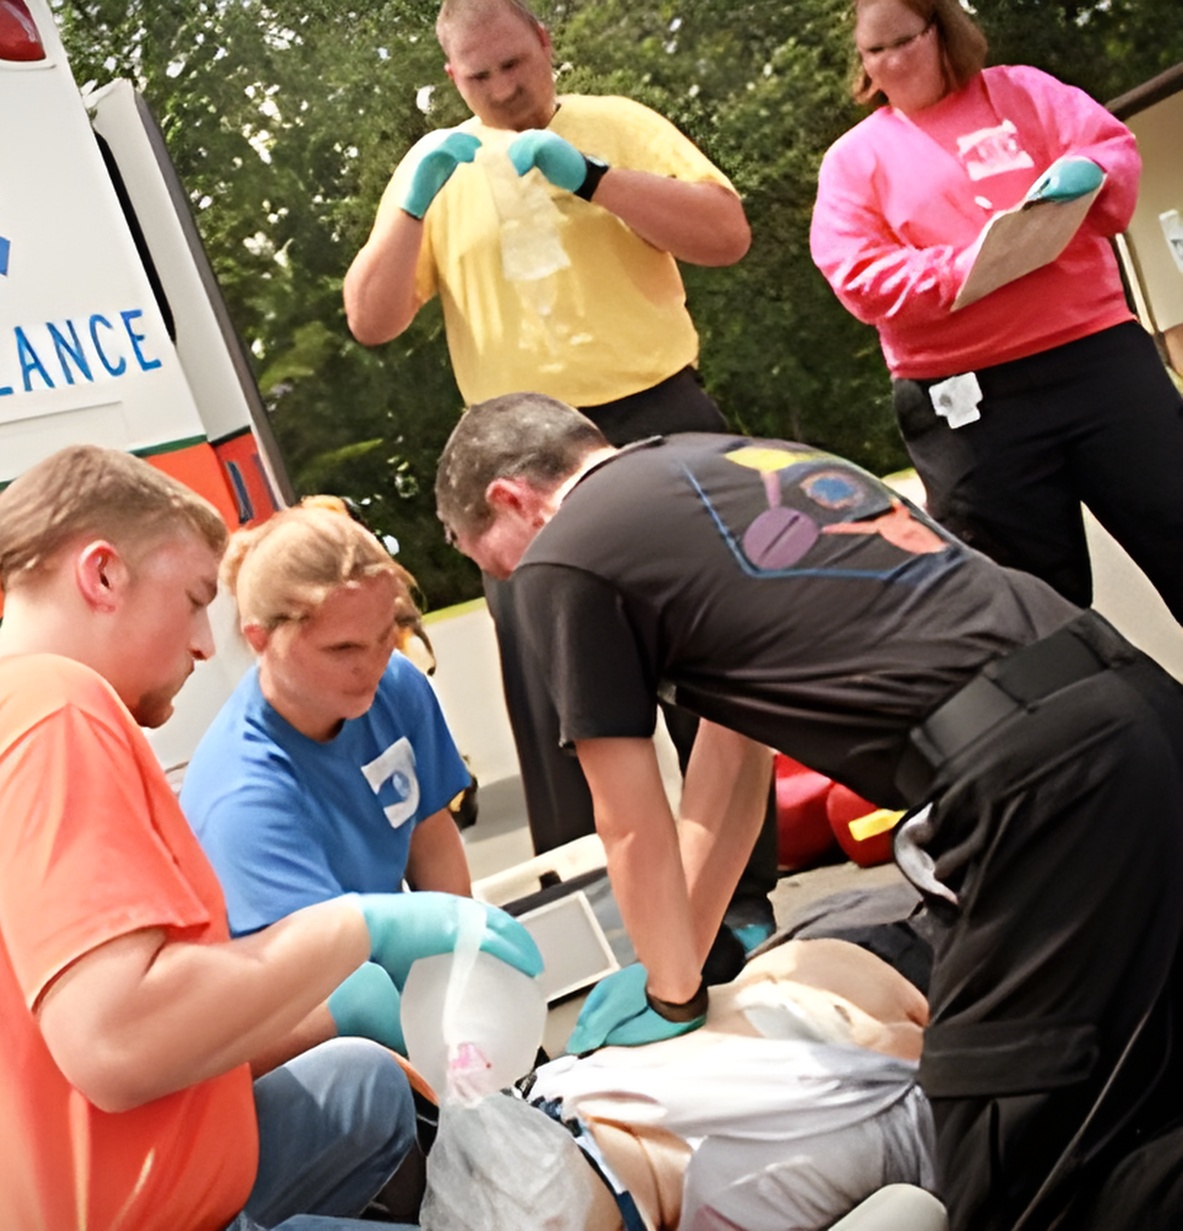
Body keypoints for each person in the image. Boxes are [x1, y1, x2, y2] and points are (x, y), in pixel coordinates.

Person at [433, 391, 1183, 1231]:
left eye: (484, 561)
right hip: (1132, 706)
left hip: (1037, 779)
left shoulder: (563, 554)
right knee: (1142, 1081)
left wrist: (675, 998)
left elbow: (629, 818)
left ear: (509, 499)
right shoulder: (718, 465)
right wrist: (669, 968)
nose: (501, 582)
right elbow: (730, 767)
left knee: (1012, 1166)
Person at [0, 444, 542, 1231]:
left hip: (67, 1186)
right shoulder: (54, 711)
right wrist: (359, 930)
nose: (204, 641)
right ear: (102, 576)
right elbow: (117, 1041)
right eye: (194, 598)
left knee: (361, 1085)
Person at [342, 0, 776, 934]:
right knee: (559, 697)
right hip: (516, 455)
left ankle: (739, 900)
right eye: (478, 77)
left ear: (544, 43)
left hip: (653, 414)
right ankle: (607, 921)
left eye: (513, 65)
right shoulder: (437, 166)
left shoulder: (617, 123)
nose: (503, 91)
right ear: (452, 77)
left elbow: (725, 235)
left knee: (710, 658)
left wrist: (598, 179)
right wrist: (412, 202)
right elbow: (370, 319)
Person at [810, 0, 1183, 625]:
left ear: (943, 31)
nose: (893, 62)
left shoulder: (1025, 93)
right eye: (875, 51)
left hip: (1098, 359)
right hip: (968, 403)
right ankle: (1092, 719)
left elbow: (1110, 150)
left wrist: (1087, 170)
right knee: (1026, 606)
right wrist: (964, 268)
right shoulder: (853, 160)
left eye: (905, 40)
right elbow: (859, 278)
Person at [181, 505, 473, 961]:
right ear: (260, 639)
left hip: (395, 971)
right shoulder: (241, 794)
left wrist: (464, 958)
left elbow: (430, 837)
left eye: (383, 636)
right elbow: (319, 970)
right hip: (312, 1004)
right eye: (342, 649)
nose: (371, 663)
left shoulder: (396, 687)